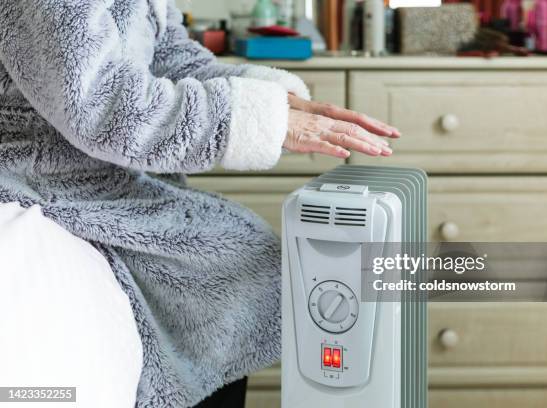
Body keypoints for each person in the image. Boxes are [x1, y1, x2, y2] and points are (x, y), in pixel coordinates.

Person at [0, 0, 399, 407]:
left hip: (97, 175)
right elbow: (104, 106)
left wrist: (275, 101)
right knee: (235, 265)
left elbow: (171, 57)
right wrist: (255, 119)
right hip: (35, 173)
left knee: (246, 254)